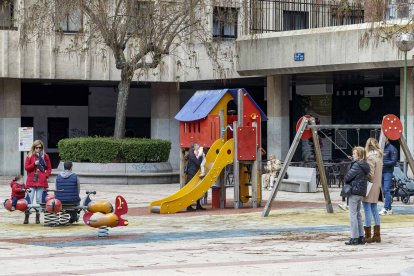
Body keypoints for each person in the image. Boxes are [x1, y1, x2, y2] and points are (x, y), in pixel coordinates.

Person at [343, 146, 370, 245]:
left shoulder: (356, 165)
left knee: (353, 215)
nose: (353, 155)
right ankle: (361, 237)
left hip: (354, 192)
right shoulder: (365, 165)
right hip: (361, 192)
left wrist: (352, 164)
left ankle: (354, 237)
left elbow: (347, 177)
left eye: (354, 154)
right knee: (358, 215)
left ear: (359, 155)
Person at [24, 140, 52, 224]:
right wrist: (34, 164)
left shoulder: (45, 156)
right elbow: (26, 168)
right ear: (34, 147)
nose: (38, 149)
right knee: (29, 199)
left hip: (41, 181)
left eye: (40, 147)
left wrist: (45, 175)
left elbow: (49, 168)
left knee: (39, 200)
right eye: (37, 147)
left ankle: (37, 217)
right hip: (31, 180)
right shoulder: (29, 156)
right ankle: (26, 217)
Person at [363, 138, 383, 243]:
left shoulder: (370, 158)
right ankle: (377, 235)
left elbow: (371, 175)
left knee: (367, 210)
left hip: (369, 187)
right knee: (374, 209)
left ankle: (367, 235)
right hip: (377, 186)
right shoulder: (379, 157)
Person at [379, 138, 398, 215]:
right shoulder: (380, 148)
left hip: (388, 172)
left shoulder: (392, 148)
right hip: (381, 172)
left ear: (386, 139)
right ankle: (389, 208)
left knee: (386, 189)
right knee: (384, 190)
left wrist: (383, 163)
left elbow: (394, 161)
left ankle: (386, 208)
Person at [185, 143, 206, 211]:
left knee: (197, 189)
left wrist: (202, 153)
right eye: (197, 145)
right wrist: (200, 157)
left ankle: (198, 204)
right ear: (193, 147)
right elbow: (198, 163)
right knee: (190, 189)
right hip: (191, 174)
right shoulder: (192, 155)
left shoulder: (195, 154)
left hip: (195, 174)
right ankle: (188, 206)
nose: (198, 146)